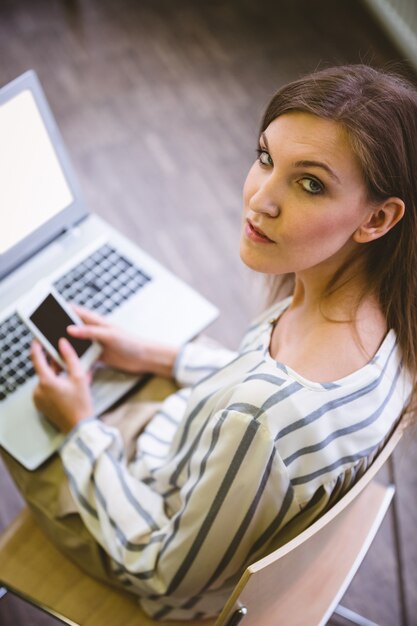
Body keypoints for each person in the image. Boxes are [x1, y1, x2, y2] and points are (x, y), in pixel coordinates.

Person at [2, 63, 416, 622]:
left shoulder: (260, 419)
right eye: (267, 158)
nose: (260, 200)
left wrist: (78, 427)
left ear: (377, 218)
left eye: (310, 184)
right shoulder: (382, 321)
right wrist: (161, 355)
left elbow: (164, 574)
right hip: (197, 469)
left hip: (156, 554)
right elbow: (262, 392)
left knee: (15, 407)